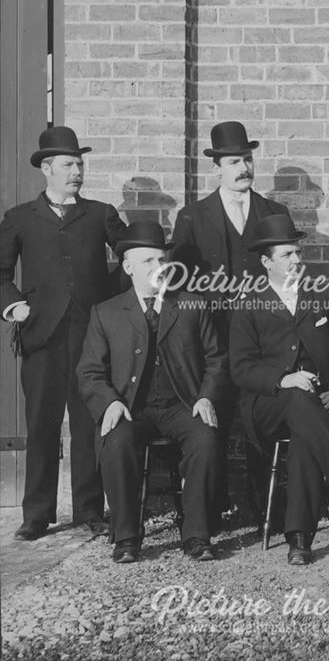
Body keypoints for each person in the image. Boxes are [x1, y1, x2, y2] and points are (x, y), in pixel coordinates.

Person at [229, 214, 329, 565]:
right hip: (267, 406)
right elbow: (240, 368)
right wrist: (282, 380)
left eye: (298, 253)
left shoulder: (320, 294)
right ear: (267, 262)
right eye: (287, 255)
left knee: (305, 436)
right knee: (299, 398)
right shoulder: (250, 302)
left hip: (320, 408)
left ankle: (299, 539)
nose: (297, 260)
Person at [0, 126, 127, 541]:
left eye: (80, 163)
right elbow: (1, 274)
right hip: (41, 335)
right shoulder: (20, 217)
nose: (78, 171)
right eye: (69, 164)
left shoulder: (100, 214)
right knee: (42, 422)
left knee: (90, 421)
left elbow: (129, 256)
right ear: (47, 169)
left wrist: (114, 303)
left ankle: (90, 509)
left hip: (91, 334)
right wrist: (14, 303)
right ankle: (37, 513)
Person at [77, 222, 225, 563]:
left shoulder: (191, 304)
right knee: (117, 441)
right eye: (148, 262)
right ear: (128, 267)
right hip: (133, 408)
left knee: (204, 439)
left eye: (162, 260)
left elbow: (218, 360)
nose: (158, 268)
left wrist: (206, 396)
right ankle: (127, 537)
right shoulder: (107, 312)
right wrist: (110, 402)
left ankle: (197, 535)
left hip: (181, 405)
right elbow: (89, 371)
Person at [171, 120, 290, 518]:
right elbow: (181, 281)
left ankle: (262, 510)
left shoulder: (274, 213)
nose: (244, 168)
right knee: (212, 420)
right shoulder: (192, 217)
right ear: (216, 168)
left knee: (260, 418)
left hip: (262, 338)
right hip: (213, 339)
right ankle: (214, 508)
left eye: (248, 159)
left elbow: (288, 275)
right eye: (235, 161)